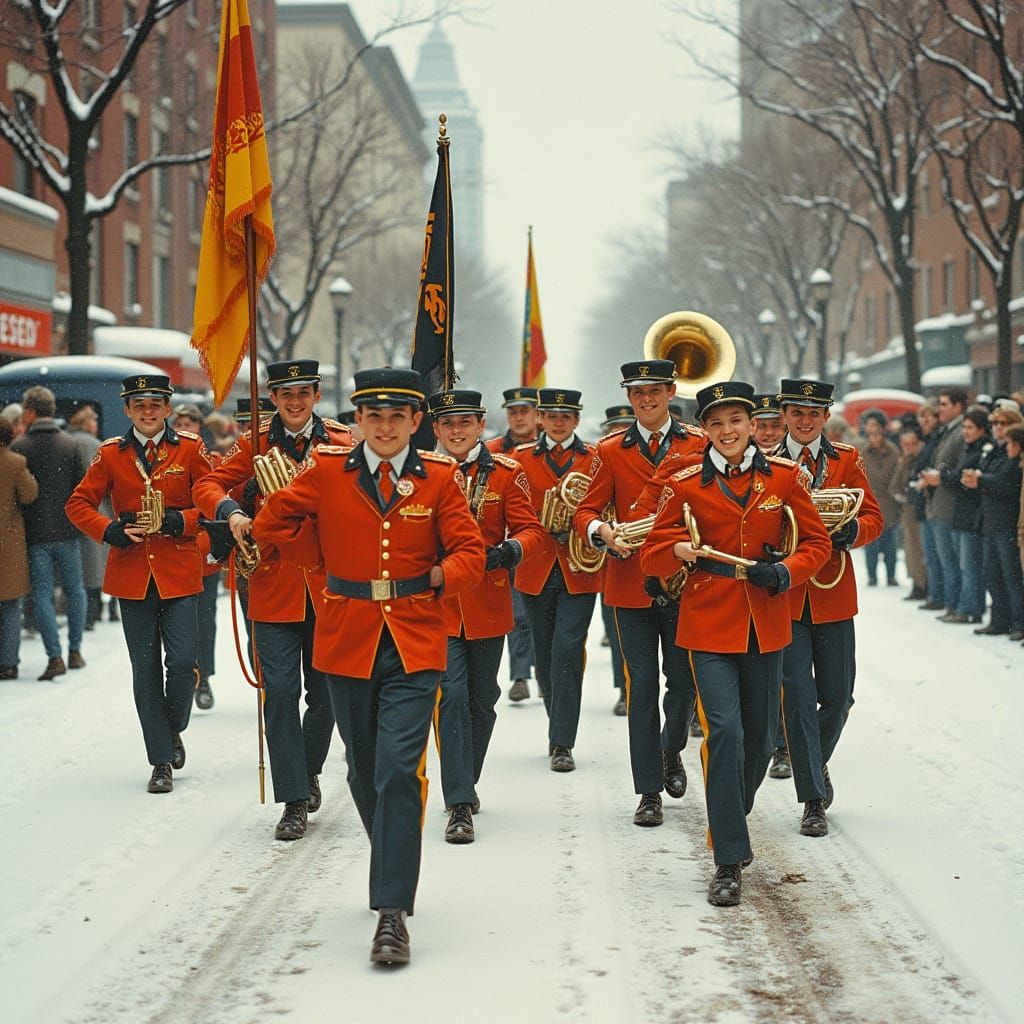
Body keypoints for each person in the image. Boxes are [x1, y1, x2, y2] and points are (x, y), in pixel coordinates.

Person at [254, 366, 485, 965]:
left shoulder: (439, 477)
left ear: (417, 422)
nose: (385, 428)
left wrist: (438, 577)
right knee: (360, 769)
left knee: (396, 771)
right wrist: (319, 561)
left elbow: (470, 551)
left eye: (397, 417)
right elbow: (271, 521)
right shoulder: (330, 469)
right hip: (345, 636)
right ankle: (393, 847)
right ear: (357, 421)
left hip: (414, 638)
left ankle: (391, 913)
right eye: (373, 417)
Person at [641, 380, 830, 906]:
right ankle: (727, 858)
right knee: (722, 731)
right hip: (706, 625)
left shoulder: (788, 478)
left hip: (767, 623)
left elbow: (815, 544)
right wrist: (676, 547)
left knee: (761, 738)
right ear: (705, 429)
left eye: (736, 422)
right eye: (716, 423)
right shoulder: (682, 484)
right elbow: (650, 558)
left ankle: (730, 812)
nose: (727, 432)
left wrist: (786, 572)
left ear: (753, 425)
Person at [194, 360, 352, 841]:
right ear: (273, 395)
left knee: (324, 696)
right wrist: (233, 511)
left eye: (303, 392)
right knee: (279, 693)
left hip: (329, 588)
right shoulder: (254, 444)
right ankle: (294, 798)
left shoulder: (344, 442)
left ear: (317, 393)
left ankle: (308, 770)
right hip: (272, 583)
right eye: (285, 393)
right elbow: (207, 484)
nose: (295, 401)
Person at [574, 360, 706, 826]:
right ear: (629, 397)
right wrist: (601, 531)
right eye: (637, 392)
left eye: (654, 391)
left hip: (685, 582)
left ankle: (671, 750)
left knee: (684, 680)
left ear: (671, 391)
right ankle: (648, 789)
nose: (646, 400)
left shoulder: (699, 443)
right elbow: (585, 510)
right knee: (642, 686)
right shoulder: (610, 450)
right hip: (629, 582)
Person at [66, 374, 212, 793]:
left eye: (156, 404)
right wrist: (108, 529)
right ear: (127, 410)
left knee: (183, 663)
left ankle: (173, 727)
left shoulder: (191, 448)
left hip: (181, 573)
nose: (148, 412)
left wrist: (178, 520)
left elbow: (212, 500)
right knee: (144, 670)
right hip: (132, 575)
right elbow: (77, 503)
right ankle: (160, 760)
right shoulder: (111, 453)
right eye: (139, 404)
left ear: (168, 408)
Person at [427, 388, 545, 843]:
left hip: (486, 600)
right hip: (436, 603)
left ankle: (465, 779)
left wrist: (511, 551)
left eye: (465, 423)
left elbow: (532, 530)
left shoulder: (505, 473)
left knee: (482, 700)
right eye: (447, 424)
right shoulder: (420, 472)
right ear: (435, 429)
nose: (456, 432)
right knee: (450, 695)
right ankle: (459, 802)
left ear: (481, 426)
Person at [773, 378, 883, 840]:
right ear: (784, 415)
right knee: (797, 697)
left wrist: (850, 531)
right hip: (786, 595)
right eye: (796, 412)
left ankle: (813, 763)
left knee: (838, 698)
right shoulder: (766, 462)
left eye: (812, 413)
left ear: (825, 416)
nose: (804, 420)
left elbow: (874, 516)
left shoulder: (846, 459)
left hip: (833, 592)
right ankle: (813, 799)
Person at [511, 388, 604, 773]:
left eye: (566, 416)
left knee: (568, 648)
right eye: (551, 416)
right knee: (545, 653)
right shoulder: (518, 458)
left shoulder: (595, 458)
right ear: (539, 420)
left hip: (579, 566)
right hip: (535, 566)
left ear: (577, 420)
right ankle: (558, 719)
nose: (559, 422)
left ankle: (562, 741)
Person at [13, 385, 89, 681]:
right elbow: (83, 488)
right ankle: (75, 650)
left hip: (36, 534)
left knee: (43, 595)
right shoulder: (71, 444)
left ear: (30, 412)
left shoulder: (20, 447)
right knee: (75, 590)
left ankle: (54, 655)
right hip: (69, 530)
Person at [487, 387, 540, 703]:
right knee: (518, 614)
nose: (519, 417)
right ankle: (520, 676)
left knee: (539, 619)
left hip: (540, 543)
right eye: (513, 412)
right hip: (504, 546)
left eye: (525, 411)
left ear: (536, 414)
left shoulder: (547, 449)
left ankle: (545, 675)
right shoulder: (492, 451)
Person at [967, 407, 1024, 639]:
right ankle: (1000, 619)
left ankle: (1018, 622)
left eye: (1003, 422)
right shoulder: (994, 449)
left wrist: (980, 479)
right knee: (991, 573)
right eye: (996, 422)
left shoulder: (1013, 449)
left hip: (1006, 522)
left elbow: (1007, 481)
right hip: (991, 521)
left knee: (1011, 576)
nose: (999, 426)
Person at [598, 404, 637, 716]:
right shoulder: (604, 454)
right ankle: (623, 690)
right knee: (618, 635)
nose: (618, 432)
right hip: (618, 560)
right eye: (613, 428)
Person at [919, 388, 968, 621]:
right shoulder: (946, 431)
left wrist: (941, 476)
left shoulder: (960, 433)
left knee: (951, 560)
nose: (940, 409)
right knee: (940, 557)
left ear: (958, 406)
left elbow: (959, 468)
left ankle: (956, 604)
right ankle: (949, 602)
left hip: (949, 504)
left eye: (945, 404)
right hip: (936, 502)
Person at [943, 406, 989, 624]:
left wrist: (947, 476)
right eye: (964, 427)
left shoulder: (981, 452)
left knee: (970, 567)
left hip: (972, 515)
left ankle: (971, 608)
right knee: (965, 566)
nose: (966, 432)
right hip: (962, 513)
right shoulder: (969, 449)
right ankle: (966, 606)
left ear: (981, 429)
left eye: (970, 427)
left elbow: (960, 480)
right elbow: (957, 478)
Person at [0, 417, 38, 678]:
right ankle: (9, 661)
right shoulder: (15, 463)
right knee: (11, 606)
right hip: (8, 542)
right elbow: (29, 494)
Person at [66, 405, 107, 629]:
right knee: (94, 567)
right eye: (93, 420)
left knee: (82, 567)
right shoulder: (93, 444)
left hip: (74, 511)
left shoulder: (70, 440)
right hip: (95, 508)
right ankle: (93, 613)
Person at [860, 416, 901, 587]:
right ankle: (872, 576)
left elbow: (896, 475)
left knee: (889, 544)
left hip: (889, 501)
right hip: (870, 501)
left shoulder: (893, 451)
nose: (874, 438)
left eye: (878, 434)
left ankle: (891, 575)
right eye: (872, 434)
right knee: (871, 544)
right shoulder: (863, 452)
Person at [890, 426, 928, 601]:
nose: (908, 448)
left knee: (918, 549)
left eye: (912, 444)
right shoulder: (905, 460)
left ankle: (922, 584)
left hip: (916, 509)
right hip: (907, 510)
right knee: (910, 550)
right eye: (905, 444)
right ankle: (916, 582)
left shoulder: (921, 460)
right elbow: (895, 485)